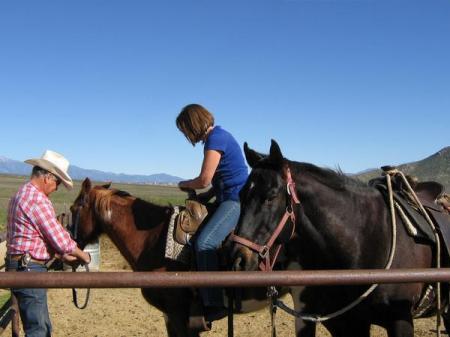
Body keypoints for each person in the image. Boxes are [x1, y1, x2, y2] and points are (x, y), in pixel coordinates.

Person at [5, 150, 91, 337]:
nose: (57, 187)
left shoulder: (20, 194)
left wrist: (62, 254)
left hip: (21, 267)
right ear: (48, 178)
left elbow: (35, 236)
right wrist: (83, 255)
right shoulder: (37, 199)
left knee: (41, 325)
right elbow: (60, 238)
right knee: (38, 330)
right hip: (29, 270)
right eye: (57, 182)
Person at [176, 104, 248, 322]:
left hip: (236, 200)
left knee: (205, 243)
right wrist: (205, 198)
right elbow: (219, 182)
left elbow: (204, 179)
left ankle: (214, 304)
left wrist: (183, 184)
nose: (186, 135)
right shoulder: (217, 137)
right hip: (227, 196)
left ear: (192, 125)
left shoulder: (216, 139)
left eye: (185, 130)